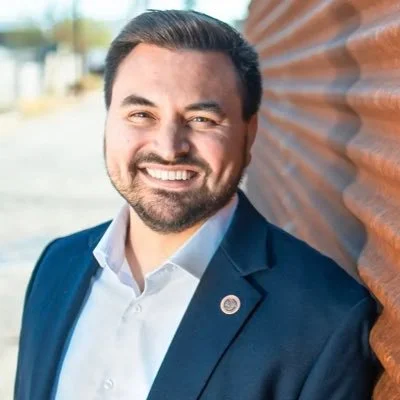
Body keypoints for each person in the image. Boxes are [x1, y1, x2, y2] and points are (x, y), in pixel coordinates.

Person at [15, 9, 380, 400]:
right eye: (141, 114)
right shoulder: (56, 266)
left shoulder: (325, 318)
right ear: (108, 122)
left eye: (202, 119)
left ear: (249, 132)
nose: (169, 148)